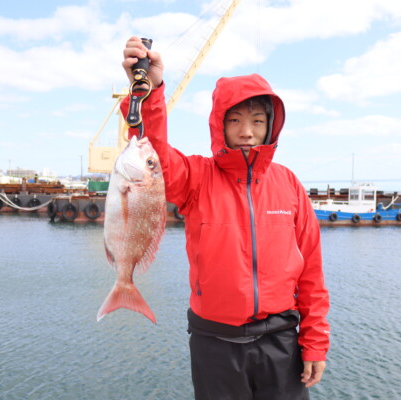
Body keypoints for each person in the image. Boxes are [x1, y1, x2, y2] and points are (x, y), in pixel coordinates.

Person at [120, 36, 330, 400]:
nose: (246, 131)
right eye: (235, 120)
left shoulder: (289, 184)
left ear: (271, 125)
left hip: (281, 341)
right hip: (214, 342)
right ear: (220, 124)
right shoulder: (196, 178)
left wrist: (314, 343)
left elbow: (311, 271)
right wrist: (149, 92)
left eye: (257, 120)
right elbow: (152, 153)